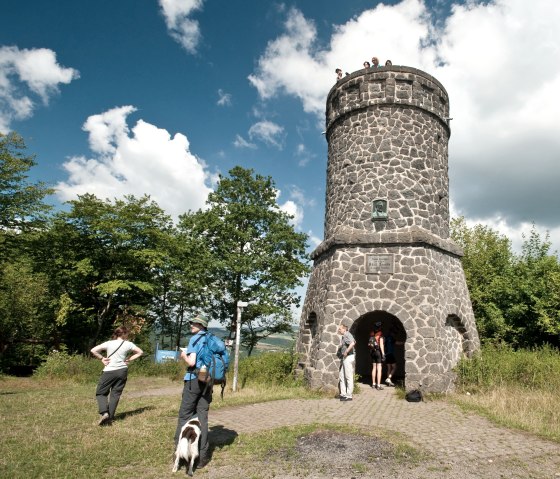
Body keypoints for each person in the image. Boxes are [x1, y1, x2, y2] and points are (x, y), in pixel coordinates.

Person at [174, 316, 213, 469]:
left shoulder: (195, 339)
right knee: (202, 415)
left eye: (195, 323)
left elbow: (192, 362)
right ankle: (202, 456)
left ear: (201, 325)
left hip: (194, 380)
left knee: (185, 414)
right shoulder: (211, 339)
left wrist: (183, 355)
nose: (191, 325)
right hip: (208, 380)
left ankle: (180, 452)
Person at [91, 326, 143, 426]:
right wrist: (129, 359)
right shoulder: (129, 344)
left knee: (101, 393)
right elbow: (140, 352)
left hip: (109, 370)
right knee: (115, 394)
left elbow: (93, 350)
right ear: (125, 334)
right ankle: (110, 418)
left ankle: (104, 413)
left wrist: (102, 358)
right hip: (122, 370)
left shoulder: (109, 343)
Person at [337, 323, 356, 401]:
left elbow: (353, 342)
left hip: (348, 357)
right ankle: (343, 394)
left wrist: (346, 351)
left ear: (344, 329)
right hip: (345, 358)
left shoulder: (347, 335)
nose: (339, 330)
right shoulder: (344, 336)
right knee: (342, 376)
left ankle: (349, 395)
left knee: (348, 376)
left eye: (340, 329)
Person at [368, 322, 385, 390]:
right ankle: (378, 385)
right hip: (378, 352)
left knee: (374, 368)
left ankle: (373, 384)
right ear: (380, 327)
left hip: (372, 352)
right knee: (379, 368)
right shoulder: (380, 334)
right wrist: (383, 354)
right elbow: (381, 345)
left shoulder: (372, 333)